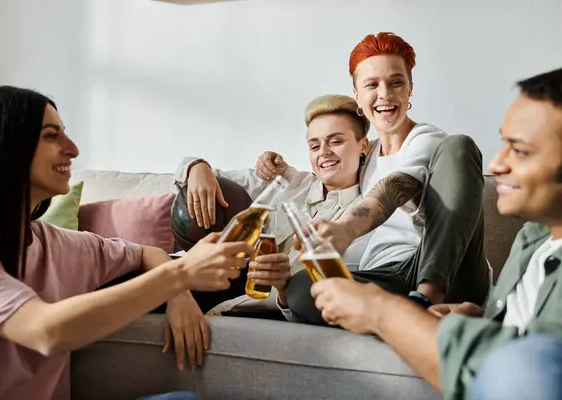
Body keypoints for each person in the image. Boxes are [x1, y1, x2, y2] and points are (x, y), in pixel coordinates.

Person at [0, 86, 254, 400]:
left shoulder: (58, 244)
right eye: (51, 135)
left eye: (65, 133)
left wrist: (179, 295)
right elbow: (46, 331)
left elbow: (145, 252)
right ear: (4, 146)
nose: (73, 149)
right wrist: (180, 274)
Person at [310, 67, 562, 400]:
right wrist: (488, 320)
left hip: (425, 268)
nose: (497, 164)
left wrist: (383, 312)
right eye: (504, 144)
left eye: (520, 150)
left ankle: (425, 297)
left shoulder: (427, 141)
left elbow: (529, 380)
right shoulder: (532, 240)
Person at [287, 32, 490, 324]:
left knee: (460, 146)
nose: (385, 94)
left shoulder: (427, 140)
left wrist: (345, 228)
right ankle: (395, 316)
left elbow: (392, 188)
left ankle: (425, 303)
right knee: (301, 289)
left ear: (409, 89)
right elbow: (327, 172)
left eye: (396, 82)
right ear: (357, 95)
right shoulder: (365, 153)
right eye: (372, 84)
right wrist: (275, 165)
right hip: (384, 279)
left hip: (444, 272)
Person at [173, 94, 370, 312]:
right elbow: (215, 181)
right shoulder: (286, 180)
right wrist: (196, 167)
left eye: (335, 141)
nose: (324, 152)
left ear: (364, 146)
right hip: (197, 272)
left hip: (239, 301)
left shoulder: (363, 219)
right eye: (315, 146)